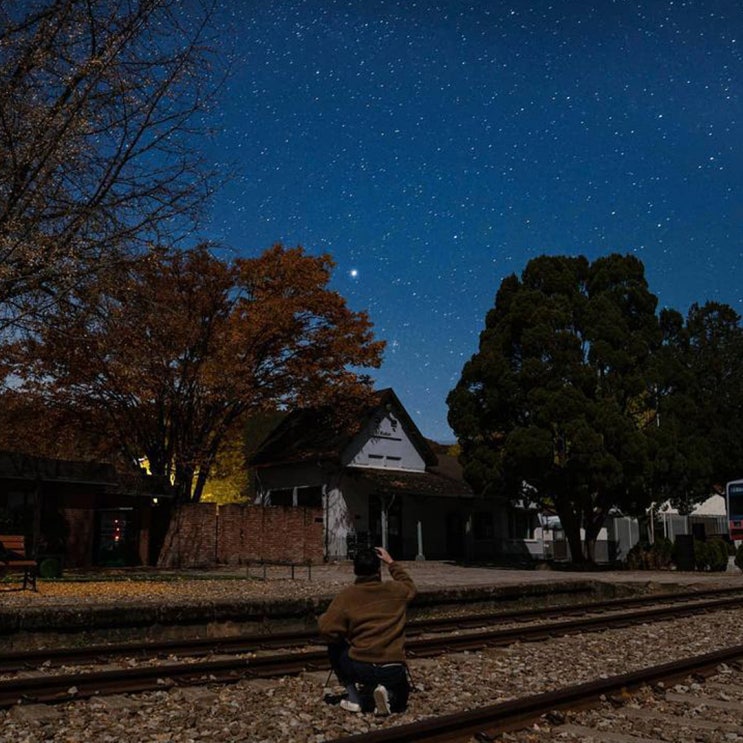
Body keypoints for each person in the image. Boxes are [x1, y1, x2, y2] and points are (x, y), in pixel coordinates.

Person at [317, 545, 417, 715]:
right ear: (379, 570)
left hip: (361, 668)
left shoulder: (347, 596)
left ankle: (355, 698)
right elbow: (410, 586)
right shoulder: (396, 590)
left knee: (335, 646)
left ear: (355, 570)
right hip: (394, 668)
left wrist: (346, 630)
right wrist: (391, 562)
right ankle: (387, 691)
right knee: (400, 702)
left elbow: (326, 630)